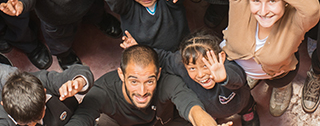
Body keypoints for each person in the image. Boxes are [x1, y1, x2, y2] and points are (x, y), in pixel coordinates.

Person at [65, 45, 227, 126]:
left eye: (149, 81)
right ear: (121, 74)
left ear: (158, 74)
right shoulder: (103, 90)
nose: (142, 91)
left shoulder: (169, 82)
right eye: (134, 81)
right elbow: (82, 117)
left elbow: (193, 109)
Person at [121, 30, 258, 126]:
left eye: (206, 66)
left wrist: (224, 76)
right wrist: (138, 49)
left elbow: (239, 78)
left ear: (221, 58)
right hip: (210, 109)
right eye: (192, 68)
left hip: (240, 102)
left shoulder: (227, 67)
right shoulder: (180, 64)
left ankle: (249, 112)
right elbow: (162, 57)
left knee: (246, 106)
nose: (200, 74)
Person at [0, 44, 93, 126]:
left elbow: (80, 71)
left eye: (36, 118)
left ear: (42, 91)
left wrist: (78, 81)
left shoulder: (32, 80)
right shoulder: (0, 111)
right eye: (25, 124)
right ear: (4, 106)